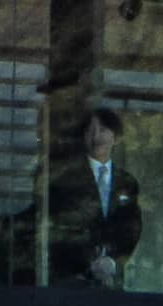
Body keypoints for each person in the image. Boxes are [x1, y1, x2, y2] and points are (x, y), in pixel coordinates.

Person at [48, 109, 142, 289]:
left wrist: (112, 262)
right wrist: (89, 264)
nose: (96, 136)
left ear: (116, 138)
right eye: (91, 130)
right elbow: (61, 229)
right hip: (74, 278)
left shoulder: (127, 182)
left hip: (112, 279)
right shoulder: (67, 180)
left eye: (103, 130)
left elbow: (131, 229)